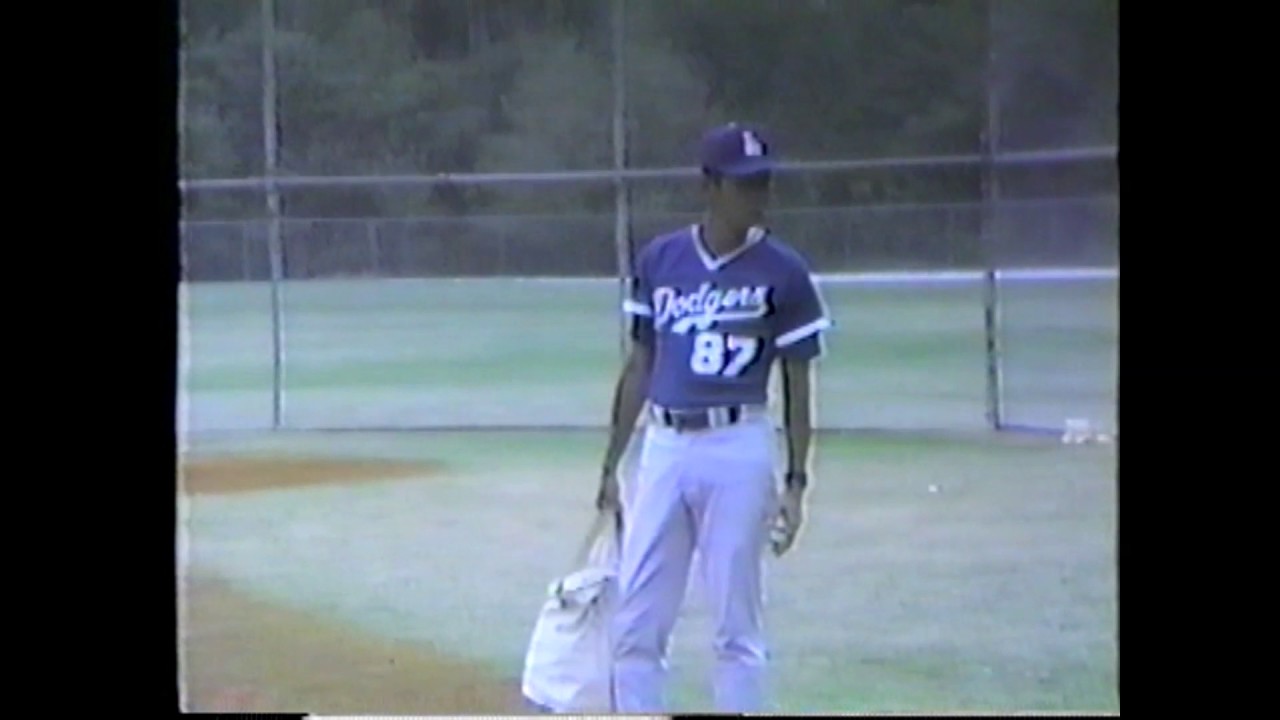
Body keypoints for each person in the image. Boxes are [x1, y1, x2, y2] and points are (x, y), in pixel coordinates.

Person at [595, 122, 832, 713]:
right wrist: (611, 464)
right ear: (709, 186)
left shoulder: (784, 270)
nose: (758, 195)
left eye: (763, 182)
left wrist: (796, 482)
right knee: (638, 620)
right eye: (744, 183)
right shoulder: (661, 259)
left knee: (737, 624)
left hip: (738, 442)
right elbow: (641, 363)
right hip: (665, 444)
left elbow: (797, 383)